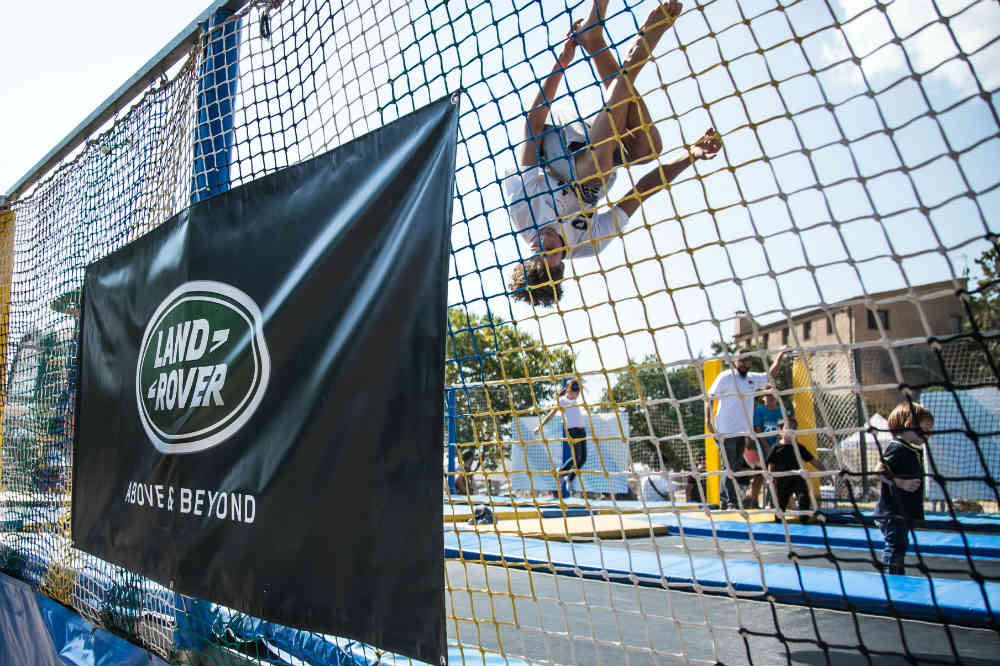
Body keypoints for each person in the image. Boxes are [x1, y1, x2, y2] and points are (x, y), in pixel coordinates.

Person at [504, 0, 723, 306]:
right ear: (561, 265)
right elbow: (640, 192)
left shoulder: (522, 211)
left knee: (595, 173)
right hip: (599, 151)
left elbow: (533, 125)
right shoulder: (589, 243)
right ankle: (594, 41)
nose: (543, 241)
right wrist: (691, 155)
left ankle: (641, 47)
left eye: (535, 249)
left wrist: (561, 63)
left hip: (559, 144)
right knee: (648, 147)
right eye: (549, 250)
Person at [704, 349, 786, 509]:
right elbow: (710, 397)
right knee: (729, 467)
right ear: (735, 361)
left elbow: (770, 376)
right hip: (725, 431)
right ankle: (731, 502)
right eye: (741, 360)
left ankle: (725, 501)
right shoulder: (726, 377)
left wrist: (779, 356)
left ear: (750, 362)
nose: (743, 364)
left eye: (747, 360)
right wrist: (708, 420)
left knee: (734, 467)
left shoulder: (752, 379)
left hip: (742, 431)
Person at [874, 401, 933, 575]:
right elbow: (879, 471)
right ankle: (892, 578)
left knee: (900, 544)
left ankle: (895, 573)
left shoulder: (910, 449)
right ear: (909, 425)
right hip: (891, 512)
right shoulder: (897, 448)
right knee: (895, 545)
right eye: (925, 429)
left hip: (901, 511)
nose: (928, 435)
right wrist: (902, 483)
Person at [536, 378, 589, 495]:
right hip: (573, 431)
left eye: (578, 392)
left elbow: (580, 387)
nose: (577, 394)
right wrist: (540, 426)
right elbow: (551, 414)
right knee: (577, 456)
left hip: (582, 431)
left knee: (583, 459)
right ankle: (563, 474)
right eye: (574, 391)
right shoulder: (562, 401)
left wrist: (579, 383)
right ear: (568, 391)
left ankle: (566, 476)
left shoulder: (576, 400)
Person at [766, 415, 825, 517]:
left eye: (794, 428)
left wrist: (825, 472)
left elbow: (813, 461)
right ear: (780, 430)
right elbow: (770, 463)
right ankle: (779, 521)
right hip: (782, 481)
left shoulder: (799, 448)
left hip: (797, 478)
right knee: (780, 507)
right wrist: (770, 478)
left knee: (803, 498)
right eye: (788, 427)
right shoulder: (776, 448)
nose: (791, 431)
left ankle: (804, 519)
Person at [746, 387, 783, 508]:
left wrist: (777, 443)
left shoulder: (781, 410)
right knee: (759, 474)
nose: (770, 397)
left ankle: (778, 502)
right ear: (763, 397)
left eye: (772, 395)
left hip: (777, 446)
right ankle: (753, 501)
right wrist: (766, 446)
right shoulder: (759, 410)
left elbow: (783, 427)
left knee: (777, 474)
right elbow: (758, 428)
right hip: (762, 447)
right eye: (767, 395)